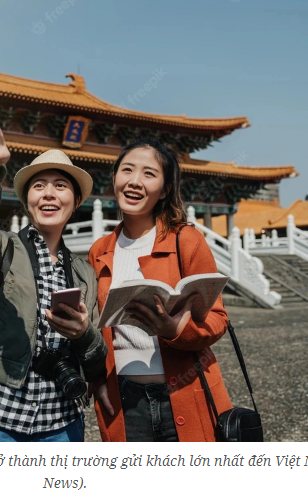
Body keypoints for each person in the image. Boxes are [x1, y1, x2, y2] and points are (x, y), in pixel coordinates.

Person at [0, 98, 107, 442]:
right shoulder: (0, 249)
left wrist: (84, 334)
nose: (49, 194)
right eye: (38, 185)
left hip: (61, 423)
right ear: (27, 200)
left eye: (61, 186)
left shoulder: (83, 273)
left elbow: (95, 356)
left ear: (75, 203)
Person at [88, 138, 232, 442]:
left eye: (149, 174)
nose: (135, 181)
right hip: (124, 398)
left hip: (184, 390)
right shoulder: (100, 250)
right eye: (127, 170)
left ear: (165, 189)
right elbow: (95, 328)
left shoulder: (186, 241)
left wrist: (175, 330)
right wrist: (96, 377)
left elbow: (218, 319)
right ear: (114, 177)